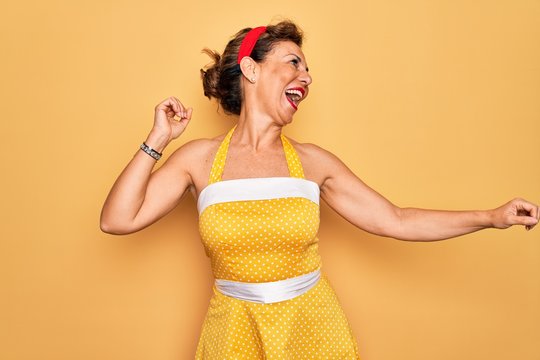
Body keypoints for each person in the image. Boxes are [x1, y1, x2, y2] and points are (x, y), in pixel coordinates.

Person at [100, 20, 539, 359]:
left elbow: (397, 220)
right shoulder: (196, 160)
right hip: (232, 331)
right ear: (251, 68)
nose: (306, 77)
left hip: (314, 329)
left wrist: (491, 217)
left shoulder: (313, 164)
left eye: (307, 69)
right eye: (294, 62)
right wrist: (158, 139)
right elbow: (117, 220)